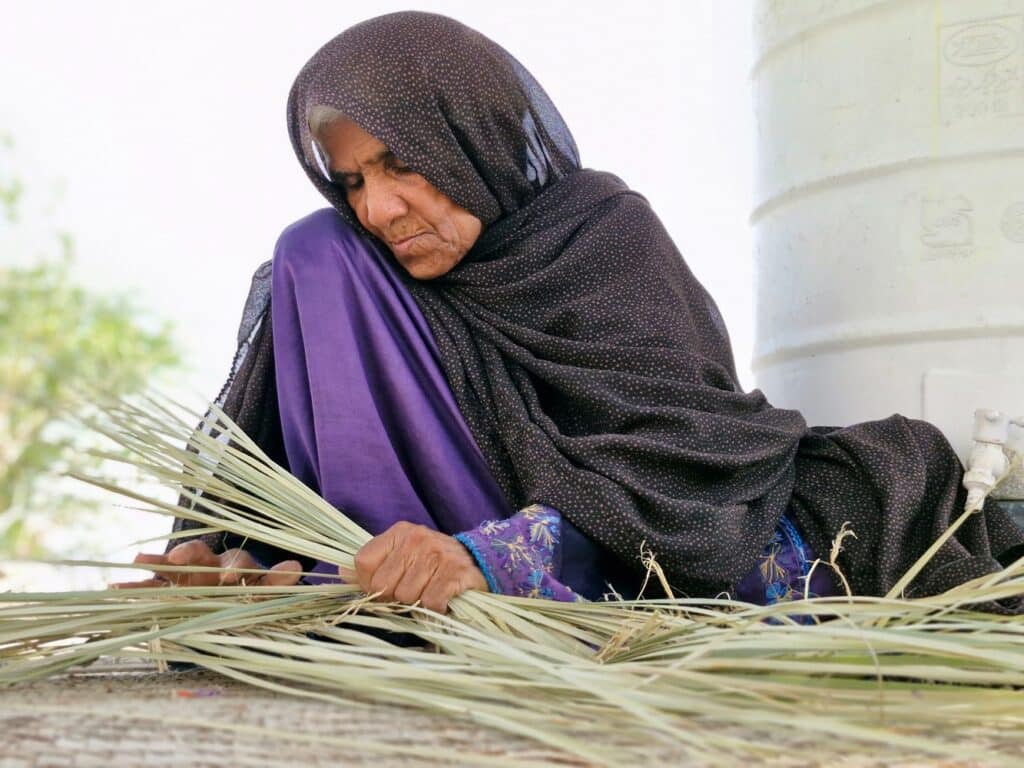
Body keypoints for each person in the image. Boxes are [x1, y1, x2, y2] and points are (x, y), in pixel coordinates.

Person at [118, 11, 1024, 616]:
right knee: (308, 251)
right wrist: (219, 546)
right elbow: (268, 439)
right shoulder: (355, 283)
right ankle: (352, 584)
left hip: (604, 555)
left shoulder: (600, 238)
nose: (377, 208)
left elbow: (693, 470)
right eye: (354, 179)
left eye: (403, 162)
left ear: (466, 131)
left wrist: (496, 553)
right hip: (395, 566)